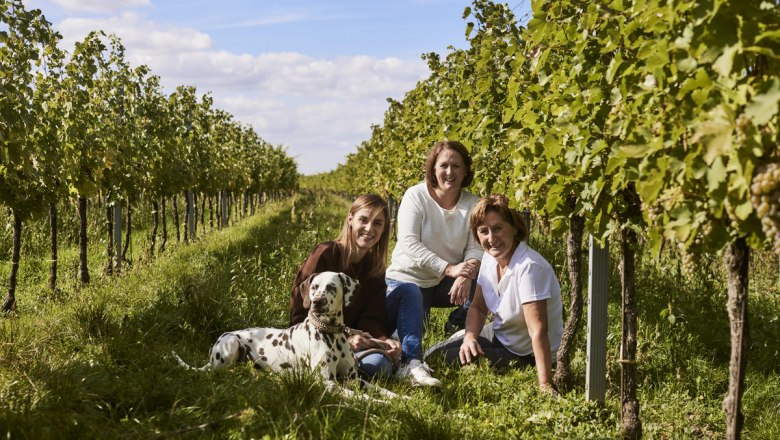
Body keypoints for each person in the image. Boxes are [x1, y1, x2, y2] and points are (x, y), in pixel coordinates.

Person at [426, 194, 563, 395]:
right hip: (500, 337)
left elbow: (538, 331)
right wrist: (470, 338)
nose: (491, 238)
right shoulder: (490, 259)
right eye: (483, 231)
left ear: (514, 228)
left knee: (447, 360)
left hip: (526, 355)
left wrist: (544, 384)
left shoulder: (529, 267)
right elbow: (478, 308)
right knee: (433, 356)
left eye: (497, 228)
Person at [385, 140, 483, 387]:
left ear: (466, 170)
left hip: (444, 282)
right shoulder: (416, 195)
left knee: (486, 281)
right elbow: (409, 243)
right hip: (409, 282)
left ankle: (458, 327)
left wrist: (466, 274)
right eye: (444, 165)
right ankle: (410, 364)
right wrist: (450, 269)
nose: (450, 172)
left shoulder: (473, 203)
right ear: (433, 168)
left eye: (457, 166)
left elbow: (475, 246)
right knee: (411, 335)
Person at [290, 194, 401, 379]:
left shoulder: (375, 268)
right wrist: (346, 340)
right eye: (363, 220)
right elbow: (300, 315)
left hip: (357, 344)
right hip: (316, 342)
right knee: (375, 368)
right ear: (350, 219)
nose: (369, 228)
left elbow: (372, 318)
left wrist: (382, 341)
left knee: (381, 366)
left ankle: (408, 361)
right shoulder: (325, 254)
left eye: (377, 223)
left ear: (384, 229)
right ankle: (339, 371)